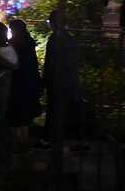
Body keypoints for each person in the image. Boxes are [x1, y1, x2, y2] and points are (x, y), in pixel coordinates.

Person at [43, 9, 79, 150]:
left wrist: (46, 80)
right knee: (62, 111)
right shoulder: (70, 39)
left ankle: (52, 140)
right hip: (67, 81)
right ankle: (60, 140)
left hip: (56, 81)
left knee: (54, 111)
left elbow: (49, 63)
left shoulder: (53, 40)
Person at [8, 19, 42, 146]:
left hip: (17, 82)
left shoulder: (15, 44)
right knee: (24, 115)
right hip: (28, 82)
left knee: (16, 113)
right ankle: (23, 141)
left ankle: (20, 141)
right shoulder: (28, 43)